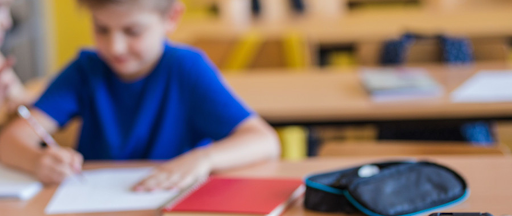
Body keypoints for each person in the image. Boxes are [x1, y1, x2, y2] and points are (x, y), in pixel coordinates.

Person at [0, 0, 280, 192]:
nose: (115, 47)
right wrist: (38, 161)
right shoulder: (86, 70)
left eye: (132, 31)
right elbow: (10, 141)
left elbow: (264, 140)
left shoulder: (186, 69)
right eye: (101, 29)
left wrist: (203, 159)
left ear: (171, 17)